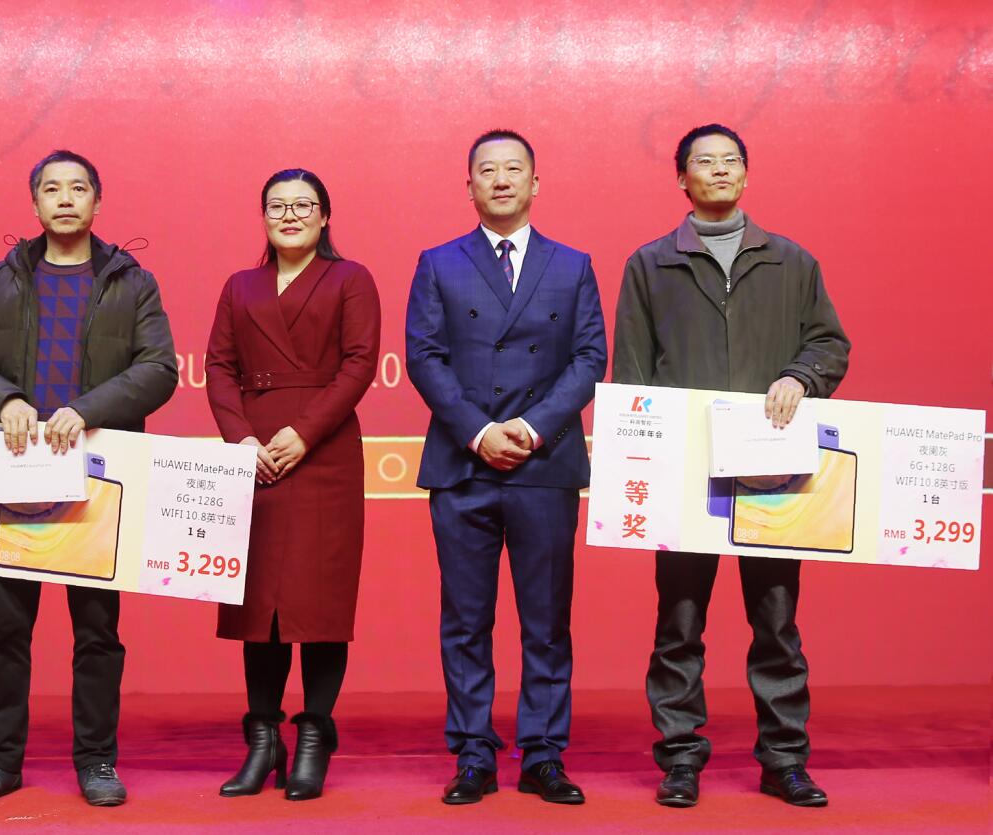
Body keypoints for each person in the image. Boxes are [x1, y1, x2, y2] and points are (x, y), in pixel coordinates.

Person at [613, 124, 850, 808]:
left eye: (730, 160)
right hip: (686, 472)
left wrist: (800, 376)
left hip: (774, 473)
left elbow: (828, 343)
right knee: (679, 623)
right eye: (703, 161)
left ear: (745, 175)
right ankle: (680, 757)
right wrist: (644, 460)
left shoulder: (790, 261)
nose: (718, 170)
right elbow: (631, 375)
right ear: (681, 179)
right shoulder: (650, 265)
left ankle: (784, 759)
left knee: (776, 623)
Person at [0, 149, 178, 807]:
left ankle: (97, 761)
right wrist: (5, 400)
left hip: (98, 479)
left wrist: (87, 409)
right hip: (14, 473)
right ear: (35, 203)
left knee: (97, 633)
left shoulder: (132, 282)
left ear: (98, 201)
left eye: (78, 188)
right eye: (51, 188)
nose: (65, 198)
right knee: (3, 631)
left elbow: (159, 368)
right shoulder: (1, 279)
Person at [405, 130, 607, 805]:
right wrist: (479, 431)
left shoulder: (572, 265)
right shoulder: (439, 263)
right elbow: (424, 356)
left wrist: (533, 425)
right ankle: (473, 752)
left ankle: (544, 753)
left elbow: (589, 357)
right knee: (465, 620)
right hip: (463, 466)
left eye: (513, 169)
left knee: (546, 620)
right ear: (468, 187)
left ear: (534, 184)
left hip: (543, 463)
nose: (500, 179)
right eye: (486, 170)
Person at [205, 168, 381, 801]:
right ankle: (262, 740)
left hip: (324, 453)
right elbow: (218, 367)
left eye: (303, 205)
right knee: (260, 607)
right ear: (263, 217)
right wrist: (240, 440)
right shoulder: (240, 285)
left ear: (325, 216)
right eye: (277, 206)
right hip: (254, 455)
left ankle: (313, 738)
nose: (290, 215)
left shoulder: (350, 278)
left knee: (320, 603)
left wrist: (303, 434)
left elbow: (359, 365)